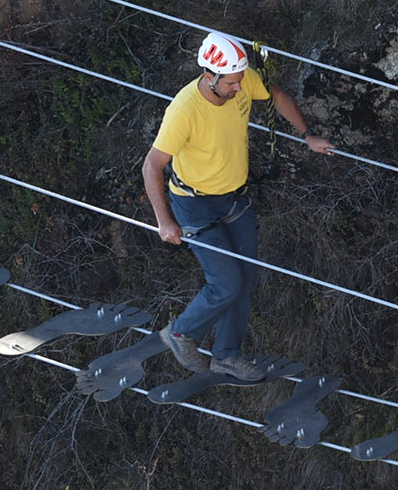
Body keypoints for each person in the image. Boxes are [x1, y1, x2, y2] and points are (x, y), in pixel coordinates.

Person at [141, 31, 332, 380]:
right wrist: (164, 221)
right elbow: (152, 165)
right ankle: (181, 333)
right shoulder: (185, 110)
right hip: (194, 205)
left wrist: (307, 135)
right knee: (226, 283)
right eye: (232, 82)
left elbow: (276, 96)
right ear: (210, 77)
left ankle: (226, 355)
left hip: (233, 198)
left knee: (244, 281)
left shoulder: (241, 79)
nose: (240, 88)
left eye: (241, 79)